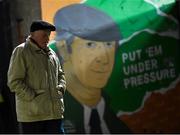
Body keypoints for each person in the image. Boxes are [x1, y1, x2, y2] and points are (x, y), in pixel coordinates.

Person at [49, 4, 131, 134]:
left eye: (109, 44)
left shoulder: (117, 120)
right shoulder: (51, 114)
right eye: (90, 44)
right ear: (64, 48)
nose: (104, 59)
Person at [7, 20, 66, 134]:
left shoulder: (52, 53)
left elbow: (60, 74)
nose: (48, 39)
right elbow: (14, 82)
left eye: (49, 35)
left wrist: (61, 88)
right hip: (33, 117)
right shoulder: (21, 51)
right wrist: (32, 96)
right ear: (33, 34)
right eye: (44, 35)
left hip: (54, 115)